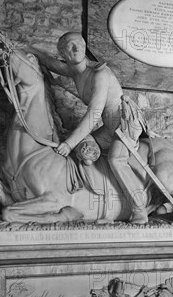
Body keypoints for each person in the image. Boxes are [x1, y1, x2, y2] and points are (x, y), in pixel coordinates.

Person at [25, 32, 148, 224]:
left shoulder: (100, 74)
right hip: (110, 127)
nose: (76, 49)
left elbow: (94, 114)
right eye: (69, 47)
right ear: (63, 54)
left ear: (84, 46)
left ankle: (139, 210)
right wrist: (26, 48)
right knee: (84, 147)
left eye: (79, 44)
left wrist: (68, 143)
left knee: (116, 159)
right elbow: (50, 62)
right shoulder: (75, 71)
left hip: (126, 122)